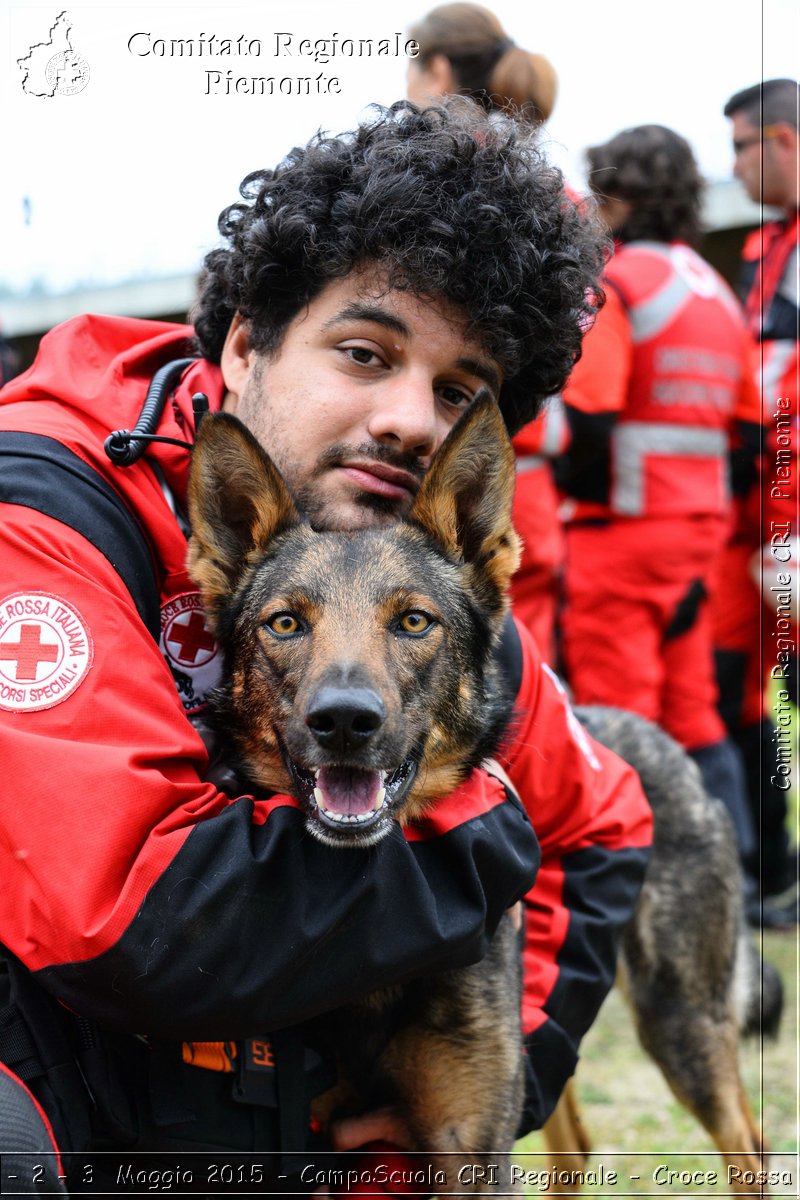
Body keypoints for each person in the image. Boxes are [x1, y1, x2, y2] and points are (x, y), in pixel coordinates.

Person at [0, 100, 652, 1193]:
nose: (408, 419)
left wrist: (482, 1092)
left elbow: (599, 829)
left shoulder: (407, 576)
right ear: (246, 340)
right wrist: (476, 833)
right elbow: (130, 922)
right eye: (364, 351)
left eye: (458, 391)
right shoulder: (43, 516)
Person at [553, 124, 762, 902]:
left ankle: (630, 893)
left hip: (620, 534)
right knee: (696, 713)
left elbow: (593, 418)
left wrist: (580, 488)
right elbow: (748, 432)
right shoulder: (716, 291)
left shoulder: (623, 281)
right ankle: (729, 881)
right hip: (697, 535)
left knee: (623, 717)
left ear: (620, 196)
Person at [405, 1, 566, 661]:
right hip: (531, 490)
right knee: (530, 686)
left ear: (438, 70)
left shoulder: (420, 177)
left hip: (445, 490)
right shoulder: (551, 191)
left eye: (411, 68)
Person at [710, 79, 799, 914]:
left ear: (783, 140)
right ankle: (773, 867)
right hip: (755, 521)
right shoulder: (763, 250)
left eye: (740, 145)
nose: (731, 165)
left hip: (788, 519)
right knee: (749, 691)